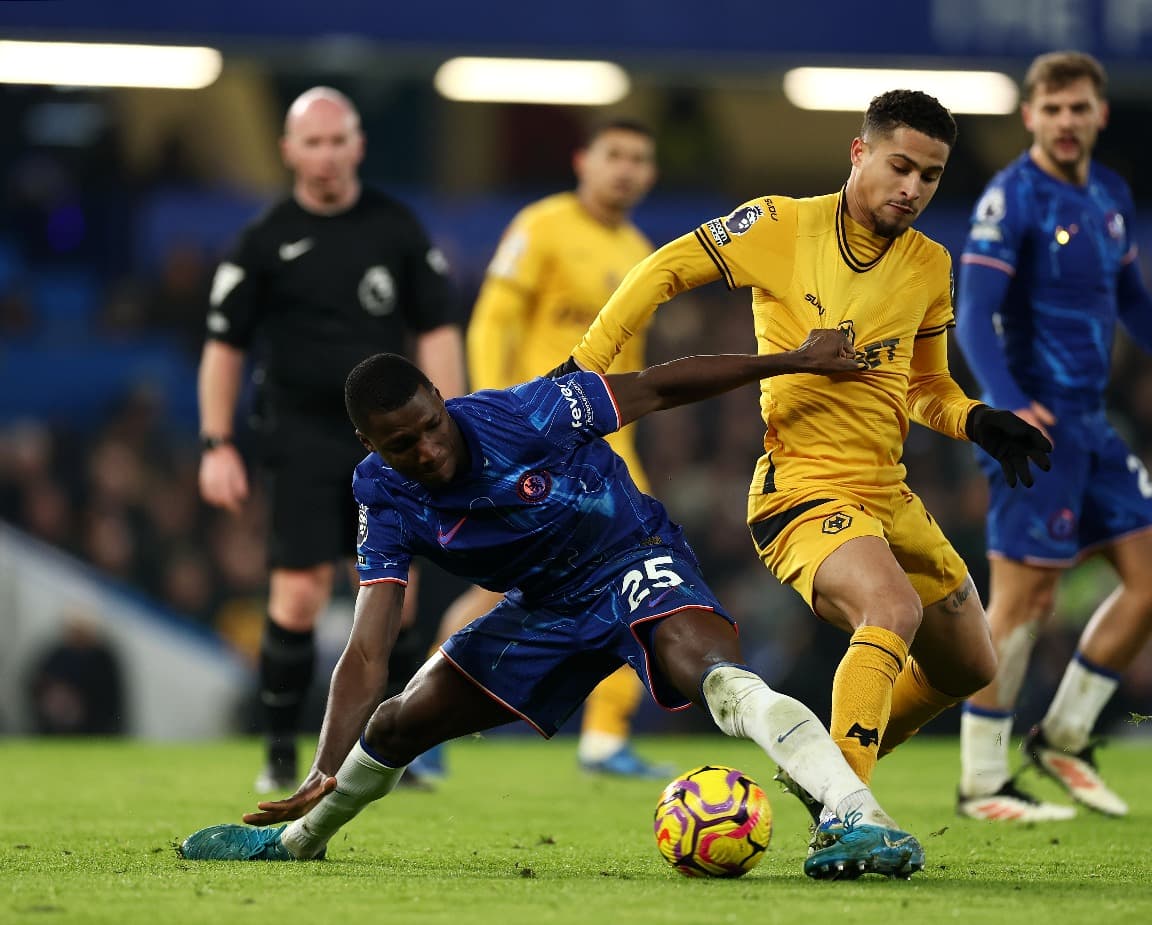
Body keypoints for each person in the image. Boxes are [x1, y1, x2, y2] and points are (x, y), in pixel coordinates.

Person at [180, 328, 926, 880]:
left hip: (631, 557)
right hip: (546, 606)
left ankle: (862, 817)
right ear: (369, 443)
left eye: (431, 427)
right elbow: (371, 644)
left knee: (718, 676)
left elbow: (660, 386)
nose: (428, 452)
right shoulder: (380, 489)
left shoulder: (530, 412)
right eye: (401, 444)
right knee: (396, 720)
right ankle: (296, 840)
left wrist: (791, 360)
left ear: (444, 400)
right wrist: (323, 762)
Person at [561, 90, 1052, 853]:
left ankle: (825, 769)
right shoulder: (782, 226)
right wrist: (585, 371)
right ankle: (846, 816)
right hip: (801, 486)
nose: (912, 189)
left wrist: (976, 418)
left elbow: (925, 388)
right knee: (891, 610)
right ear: (859, 153)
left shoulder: (929, 263)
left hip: (888, 493)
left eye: (930, 176)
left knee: (969, 663)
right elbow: (660, 270)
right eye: (899, 167)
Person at [952, 51, 1152, 822]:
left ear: (1101, 115)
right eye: (1053, 108)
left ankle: (1062, 735)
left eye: (1080, 108)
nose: (1067, 121)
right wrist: (1005, 405)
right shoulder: (1012, 198)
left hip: (1092, 424)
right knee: (1024, 600)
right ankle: (980, 781)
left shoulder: (1109, 194)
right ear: (1030, 116)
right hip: (1030, 426)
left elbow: (1129, 292)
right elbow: (975, 314)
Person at [197, 86, 466, 794]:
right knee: (297, 591)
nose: (325, 155)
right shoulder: (263, 241)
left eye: (336, 139)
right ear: (289, 150)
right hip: (300, 434)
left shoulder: (396, 228)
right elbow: (224, 346)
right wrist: (214, 440)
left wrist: (453, 419)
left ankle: (392, 749)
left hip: (387, 440)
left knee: (392, 593)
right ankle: (281, 750)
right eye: (310, 142)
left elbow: (437, 326)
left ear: (358, 145)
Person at [417, 117, 666, 782]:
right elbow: (493, 318)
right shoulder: (542, 225)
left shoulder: (641, 249)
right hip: (535, 436)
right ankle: (421, 714)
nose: (626, 169)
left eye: (639, 158)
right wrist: (490, 416)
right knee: (508, 588)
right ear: (584, 161)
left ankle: (606, 734)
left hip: (606, 451)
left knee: (640, 577)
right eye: (615, 154)